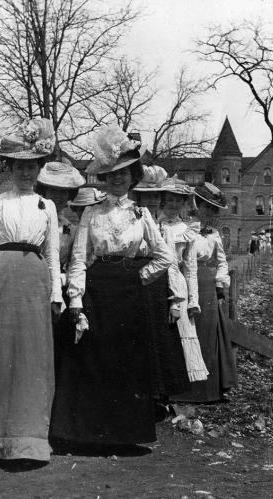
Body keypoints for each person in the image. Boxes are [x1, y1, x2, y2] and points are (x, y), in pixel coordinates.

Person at [51, 125, 175, 450]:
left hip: (130, 292)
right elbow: (78, 259)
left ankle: (125, 436)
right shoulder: (91, 212)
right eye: (111, 174)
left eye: (124, 173)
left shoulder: (142, 213)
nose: (117, 179)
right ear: (104, 178)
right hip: (98, 290)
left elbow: (165, 256)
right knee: (95, 359)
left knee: (128, 361)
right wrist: (75, 299)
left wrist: (142, 276)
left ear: (133, 176)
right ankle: (92, 436)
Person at [0, 117, 61, 462]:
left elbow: (52, 254)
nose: (26, 173)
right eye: (19, 166)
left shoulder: (47, 205)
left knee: (32, 358)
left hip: (35, 282)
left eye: (32, 166)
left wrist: (56, 295)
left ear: (39, 168)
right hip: (0, 278)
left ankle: (30, 443)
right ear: (9, 168)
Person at [172, 182, 237, 403]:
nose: (210, 213)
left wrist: (220, 285)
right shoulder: (183, 228)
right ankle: (186, 391)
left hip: (208, 288)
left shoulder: (214, 234)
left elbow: (221, 262)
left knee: (209, 337)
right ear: (196, 205)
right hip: (187, 283)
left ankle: (209, 391)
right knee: (188, 333)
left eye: (213, 209)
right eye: (207, 207)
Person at [34, 160, 86, 384]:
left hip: (59, 292)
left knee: (57, 346)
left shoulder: (71, 229)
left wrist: (63, 280)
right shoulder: (33, 220)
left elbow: (75, 262)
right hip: (33, 287)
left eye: (63, 192)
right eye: (53, 191)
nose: (58, 197)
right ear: (44, 191)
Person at [155, 176, 208, 384]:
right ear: (163, 199)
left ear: (184, 202)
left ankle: (180, 386)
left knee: (180, 331)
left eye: (179, 199)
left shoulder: (187, 230)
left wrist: (193, 300)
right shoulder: (152, 224)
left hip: (178, 284)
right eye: (170, 198)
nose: (174, 203)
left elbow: (191, 268)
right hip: (156, 282)